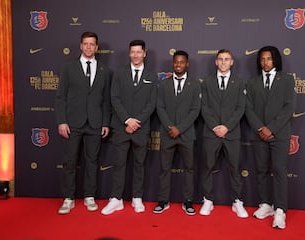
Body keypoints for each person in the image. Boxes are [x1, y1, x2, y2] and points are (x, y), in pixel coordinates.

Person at [55, 31, 111, 214]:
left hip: (95, 123)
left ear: (96, 47)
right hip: (72, 123)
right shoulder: (68, 67)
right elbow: (61, 97)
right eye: (85, 43)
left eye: (92, 44)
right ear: (80, 46)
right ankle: (68, 198)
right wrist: (62, 121)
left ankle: (89, 196)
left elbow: (105, 100)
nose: (88, 47)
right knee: (70, 161)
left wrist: (105, 122)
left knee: (92, 161)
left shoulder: (104, 70)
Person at [101, 39, 157, 215]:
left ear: (144, 53)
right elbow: (114, 98)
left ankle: (137, 198)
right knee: (119, 164)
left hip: (141, 128)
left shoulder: (152, 76)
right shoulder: (119, 73)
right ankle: (116, 199)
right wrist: (127, 120)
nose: (135, 55)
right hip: (121, 127)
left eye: (139, 52)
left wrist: (136, 121)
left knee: (140, 164)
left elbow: (152, 103)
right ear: (129, 53)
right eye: (132, 52)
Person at [245, 46, 296, 229]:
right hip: (258, 134)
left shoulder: (287, 80)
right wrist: (260, 128)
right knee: (261, 170)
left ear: (276, 60)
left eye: (269, 59)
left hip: (279, 134)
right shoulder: (252, 83)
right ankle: (266, 204)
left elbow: (289, 107)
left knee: (279, 170)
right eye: (262, 59)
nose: (266, 62)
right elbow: (248, 108)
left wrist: (271, 128)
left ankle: (280, 210)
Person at [199, 49, 248, 218]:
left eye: (227, 59)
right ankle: (208, 200)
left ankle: (237, 201)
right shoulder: (206, 82)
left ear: (232, 62)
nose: (223, 62)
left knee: (235, 168)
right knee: (207, 167)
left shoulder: (240, 83)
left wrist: (227, 127)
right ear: (216, 62)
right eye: (220, 59)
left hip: (231, 133)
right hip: (211, 132)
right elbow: (204, 107)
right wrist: (215, 126)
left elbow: (241, 108)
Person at [153, 50, 201, 216]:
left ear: (187, 64)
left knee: (189, 168)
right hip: (167, 134)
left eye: (182, 62)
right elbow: (160, 107)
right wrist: (170, 127)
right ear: (172, 64)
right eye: (176, 62)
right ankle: (163, 200)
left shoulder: (195, 85)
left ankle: (188, 201)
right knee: (164, 168)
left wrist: (179, 128)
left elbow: (195, 110)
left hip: (186, 135)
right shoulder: (164, 84)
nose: (178, 65)